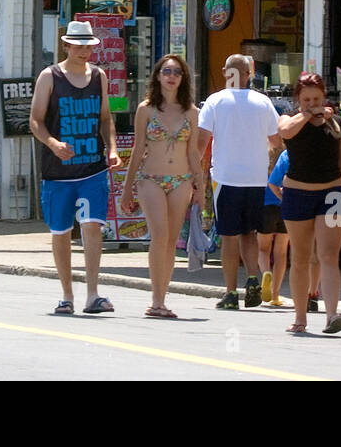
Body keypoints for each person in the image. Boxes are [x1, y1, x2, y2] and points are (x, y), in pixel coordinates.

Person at [30, 20, 120, 315]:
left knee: (93, 226)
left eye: (89, 46)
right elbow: (35, 120)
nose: (84, 51)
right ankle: (67, 294)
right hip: (58, 171)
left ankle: (92, 294)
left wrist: (113, 149)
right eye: (79, 45)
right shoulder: (50, 76)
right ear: (66, 45)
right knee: (61, 231)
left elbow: (106, 118)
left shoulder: (99, 77)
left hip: (92, 167)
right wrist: (54, 144)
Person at [277, 72, 341, 334]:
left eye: (316, 98)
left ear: (324, 97)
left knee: (328, 255)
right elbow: (286, 132)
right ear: (298, 99)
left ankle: (332, 315)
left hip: (331, 194)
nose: (312, 102)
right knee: (300, 257)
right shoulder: (289, 118)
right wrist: (309, 113)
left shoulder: (336, 124)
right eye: (306, 99)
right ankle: (300, 317)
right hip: (297, 193)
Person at [120, 54, 203, 319]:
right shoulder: (146, 109)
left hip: (181, 180)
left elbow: (193, 153)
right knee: (160, 235)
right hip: (150, 179)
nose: (171, 76)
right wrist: (127, 187)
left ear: (183, 78)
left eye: (177, 72)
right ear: (157, 76)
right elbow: (137, 149)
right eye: (166, 70)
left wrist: (200, 186)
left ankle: (162, 299)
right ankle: (155, 300)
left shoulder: (192, 112)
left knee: (170, 241)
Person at [198, 54, 281, 311]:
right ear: (249, 74)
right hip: (256, 179)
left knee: (229, 237)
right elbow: (277, 141)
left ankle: (231, 292)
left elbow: (201, 143)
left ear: (226, 73)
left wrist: (194, 174)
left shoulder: (215, 101)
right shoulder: (263, 102)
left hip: (226, 177)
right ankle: (253, 279)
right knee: (250, 234)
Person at [260, 148, 290, 307]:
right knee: (281, 253)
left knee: (263, 250)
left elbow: (271, 183)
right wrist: (283, 199)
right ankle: (275, 294)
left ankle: (266, 273)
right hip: (285, 209)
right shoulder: (289, 155)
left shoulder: (264, 160)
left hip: (266, 206)